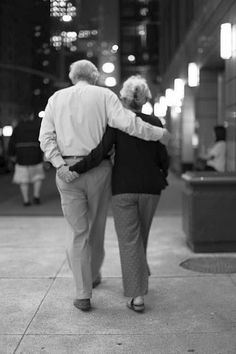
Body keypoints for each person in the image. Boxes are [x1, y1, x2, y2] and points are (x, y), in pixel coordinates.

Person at [39, 60, 169, 312]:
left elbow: (46, 137)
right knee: (96, 227)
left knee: (77, 232)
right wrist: (159, 134)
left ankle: (83, 293)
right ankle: (95, 273)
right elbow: (129, 123)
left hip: (67, 171)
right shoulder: (104, 96)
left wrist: (59, 164)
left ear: (71, 76)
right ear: (95, 77)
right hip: (98, 171)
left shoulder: (56, 98)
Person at [8, 112, 45, 206]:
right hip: (36, 156)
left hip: (21, 157)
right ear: (31, 116)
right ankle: (36, 196)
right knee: (37, 177)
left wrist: (12, 155)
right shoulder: (37, 127)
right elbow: (43, 141)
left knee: (23, 179)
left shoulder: (17, 128)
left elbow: (11, 143)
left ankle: (26, 200)